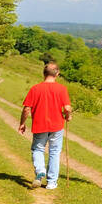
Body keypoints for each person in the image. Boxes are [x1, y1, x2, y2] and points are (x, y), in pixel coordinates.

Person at [18, 61, 72, 190]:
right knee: (54, 152)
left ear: (43, 73)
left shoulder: (35, 88)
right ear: (57, 74)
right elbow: (67, 107)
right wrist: (68, 115)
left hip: (39, 125)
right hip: (57, 126)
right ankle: (52, 182)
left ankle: (40, 171)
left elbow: (26, 109)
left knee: (38, 149)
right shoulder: (62, 89)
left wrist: (22, 123)